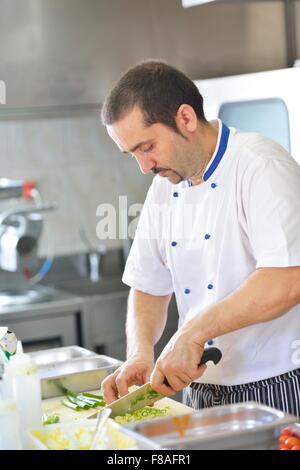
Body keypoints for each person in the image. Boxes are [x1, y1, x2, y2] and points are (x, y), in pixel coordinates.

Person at [100, 60, 300, 417]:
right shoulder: (165, 185)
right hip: (200, 392)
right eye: (132, 154)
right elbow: (148, 283)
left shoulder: (259, 165)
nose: (144, 167)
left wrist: (191, 334)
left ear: (186, 118)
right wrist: (140, 351)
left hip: (275, 386)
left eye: (146, 147)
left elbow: (286, 281)